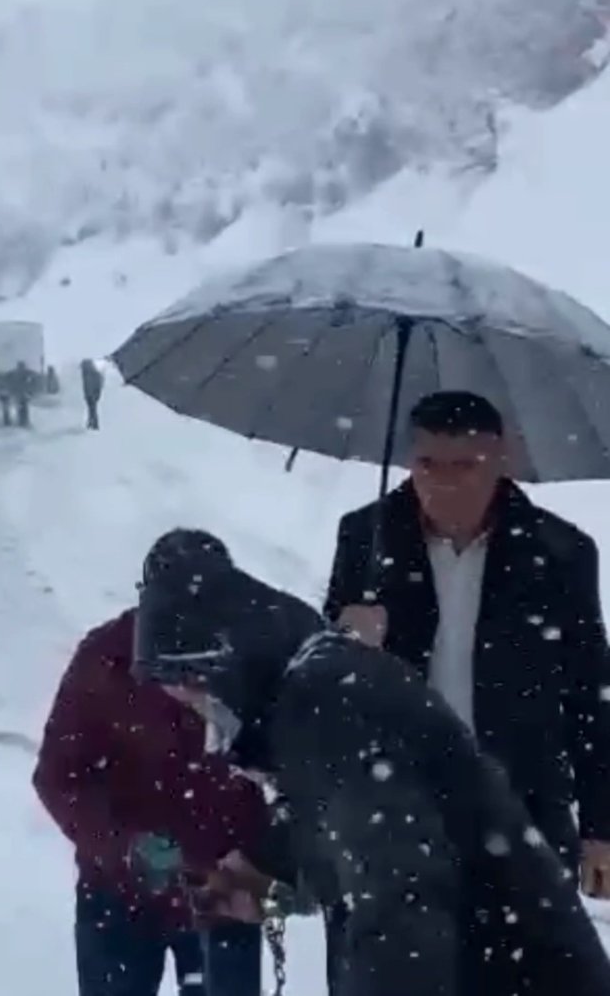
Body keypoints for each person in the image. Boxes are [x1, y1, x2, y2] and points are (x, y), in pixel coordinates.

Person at [132, 531, 610, 996]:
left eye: (198, 700)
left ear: (221, 670)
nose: (206, 720)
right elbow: (343, 825)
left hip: (506, 970)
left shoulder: (328, 703)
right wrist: (265, 870)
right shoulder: (320, 688)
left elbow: (401, 893)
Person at [324, 390, 610, 900]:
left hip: (522, 809)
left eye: (466, 465)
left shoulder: (559, 552)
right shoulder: (365, 539)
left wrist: (600, 826)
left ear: (504, 460)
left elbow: (591, 694)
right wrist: (348, 638)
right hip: (393, 810)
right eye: (427, 463)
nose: (443, 482)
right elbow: (322, 687)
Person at [32, 530, 268, 996]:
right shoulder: (105, 658)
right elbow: (58, 776)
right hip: (119, 897)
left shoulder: (255, 657)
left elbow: (282, 775)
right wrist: (126, 849)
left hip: (224, 892)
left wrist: (266, 861)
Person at [81, 358, 104, 430]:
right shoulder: (89, 373)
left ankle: (94, 423)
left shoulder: (91, 374)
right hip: (90, 394)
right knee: (92, 408)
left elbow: (96, 384)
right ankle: (91, 422)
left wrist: (96, 393)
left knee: (92, 408)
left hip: (92, 394)